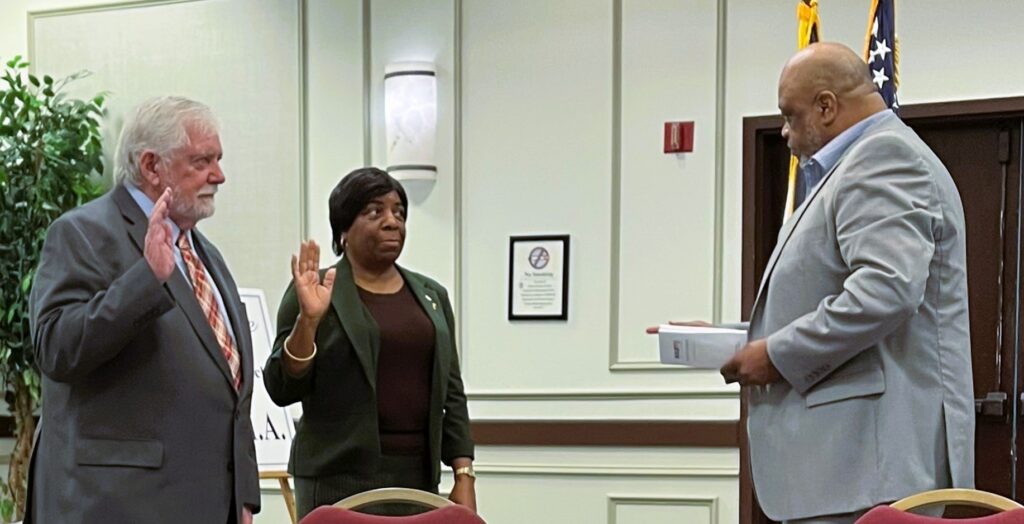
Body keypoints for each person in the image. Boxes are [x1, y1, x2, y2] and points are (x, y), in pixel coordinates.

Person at [719, 42, 974, 523]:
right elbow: (830, 297)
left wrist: (775, 356)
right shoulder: (858, 165)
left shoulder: (882, 157)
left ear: (827, 106)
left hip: (867, 473)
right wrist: (732, 338)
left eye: (791, 116)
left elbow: (885, 292)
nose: (785, 133)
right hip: (848, 474)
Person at [27, 96, 260, 523]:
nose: (219, 175)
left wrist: (242, 493)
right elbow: (56, 349)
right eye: (202, 160)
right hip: (118, 505)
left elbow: (230, 390)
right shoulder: (81, 232)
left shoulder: (206, 254)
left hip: (207, 505)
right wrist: (145, 281)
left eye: (218, 159)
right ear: (152, 166)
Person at [264, 167, 476, 519]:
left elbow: (452, 392)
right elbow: (282, 387)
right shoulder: (315, 289)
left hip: (417, 479)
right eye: (374, 212)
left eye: (399, 213)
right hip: (336, 478)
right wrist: (308, 321)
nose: (392, 222)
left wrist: (463, 473)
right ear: (344, 230)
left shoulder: (431, 296)